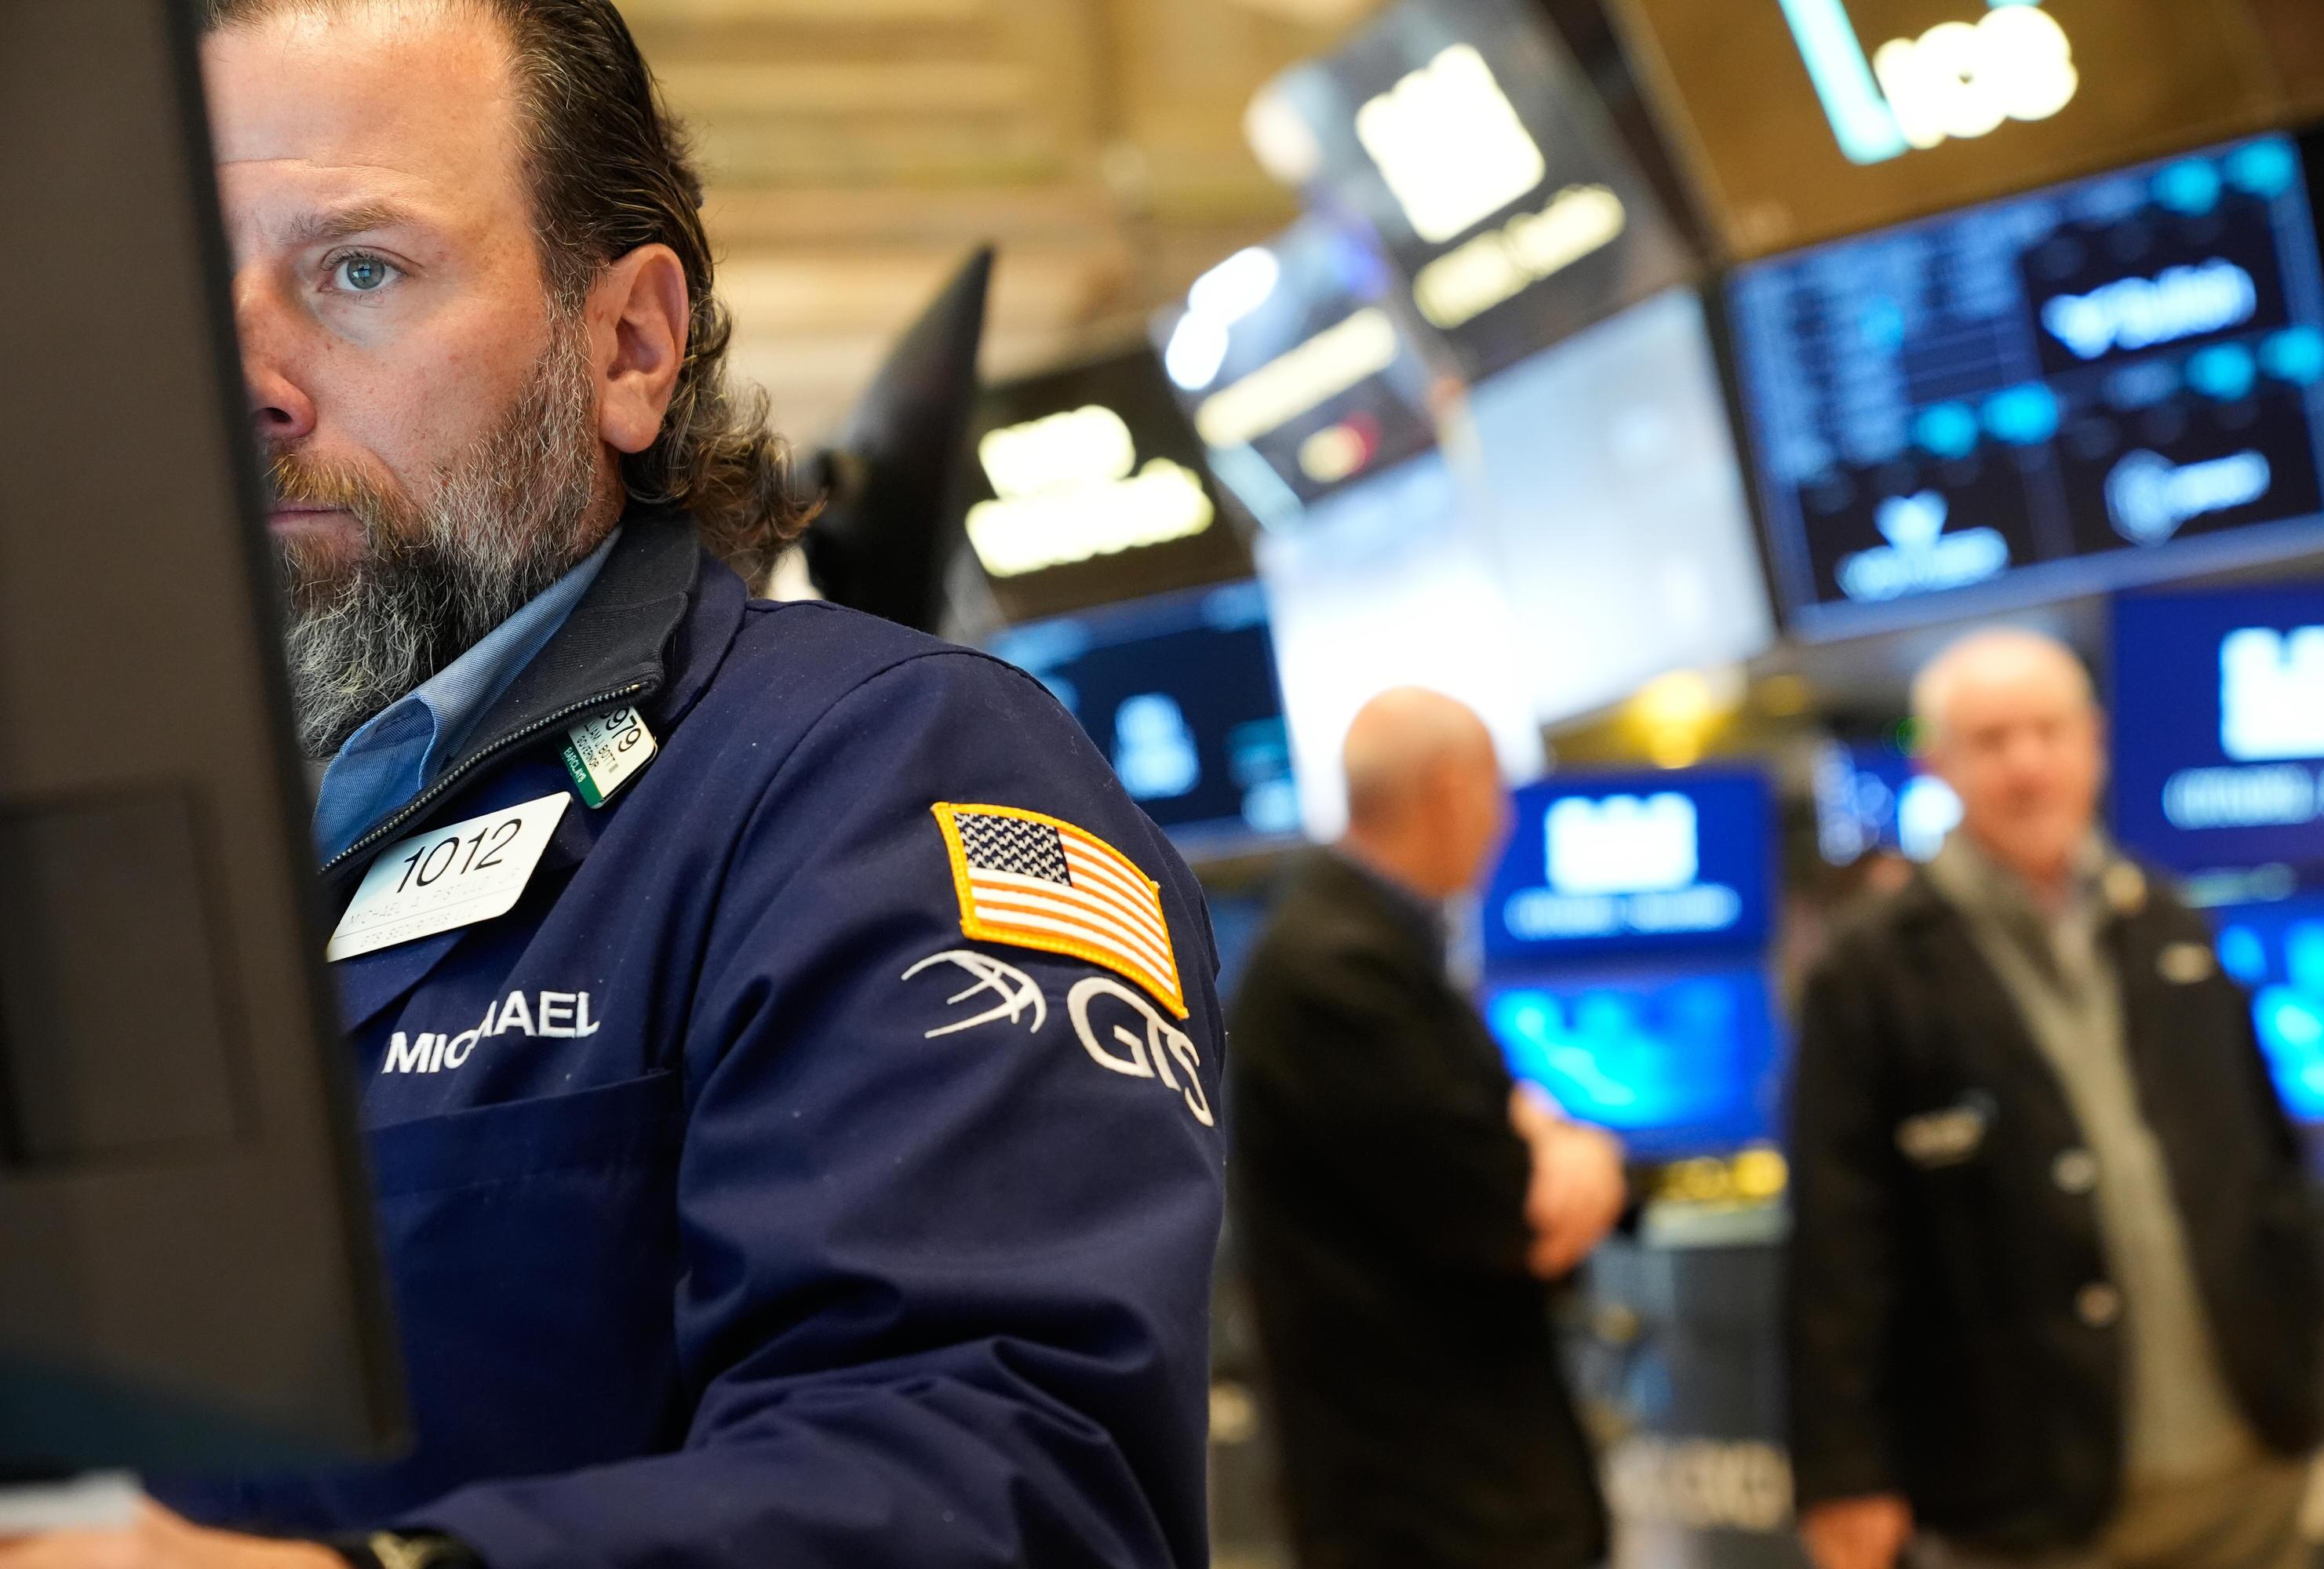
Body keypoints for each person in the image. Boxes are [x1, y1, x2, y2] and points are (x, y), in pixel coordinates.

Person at [0, 2, 1226, 1566]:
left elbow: (1018, 1479)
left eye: (358, 270)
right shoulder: (106, 863)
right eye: (186, 285)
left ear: (630, 345)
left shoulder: (876, 776)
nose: (240, 379)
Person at [1787, 628, 2324, 1569]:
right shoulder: (1869, 970)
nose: (2026, 764)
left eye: (2048, 730)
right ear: (1937, 765)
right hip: (2024, 1492)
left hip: (2247, 1463)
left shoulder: (2170, 921)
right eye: (1992, 740)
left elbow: (2267, 1170)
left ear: (2095, 743)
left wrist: (2321, 1382)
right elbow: (1838, 1240)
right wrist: (1843, 1467)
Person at [1229, 688, 1626, 1569]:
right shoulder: (1337, 965)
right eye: (1496, 788)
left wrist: (1541, 1135)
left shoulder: (1369, 944)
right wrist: (1582, 1152)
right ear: (1449, 789)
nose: (1505, 818)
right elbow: (1508, 1212)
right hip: (1430, 1505)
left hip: (1455, 1492)